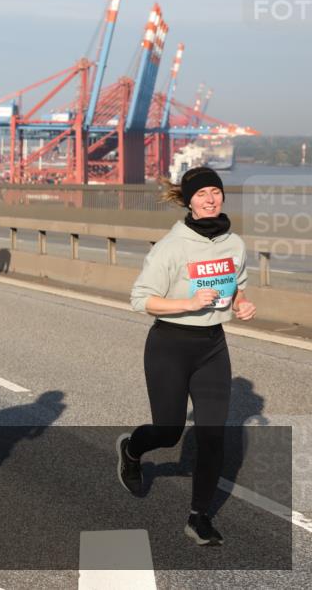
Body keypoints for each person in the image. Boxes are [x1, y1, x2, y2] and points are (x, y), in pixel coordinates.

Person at [118, 167, 256, 546]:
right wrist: (189, 302)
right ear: (189, 201)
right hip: (170, 345)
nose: (211, 199)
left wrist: (243, 305)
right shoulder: (170, 247)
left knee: (213, 437)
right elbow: (140, 299)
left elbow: (238, 289)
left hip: (212, 346)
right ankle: (132, 449)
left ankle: (199, 517)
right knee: (169, 431)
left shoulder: (235, 244)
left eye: (216, 192)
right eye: (202, 194)